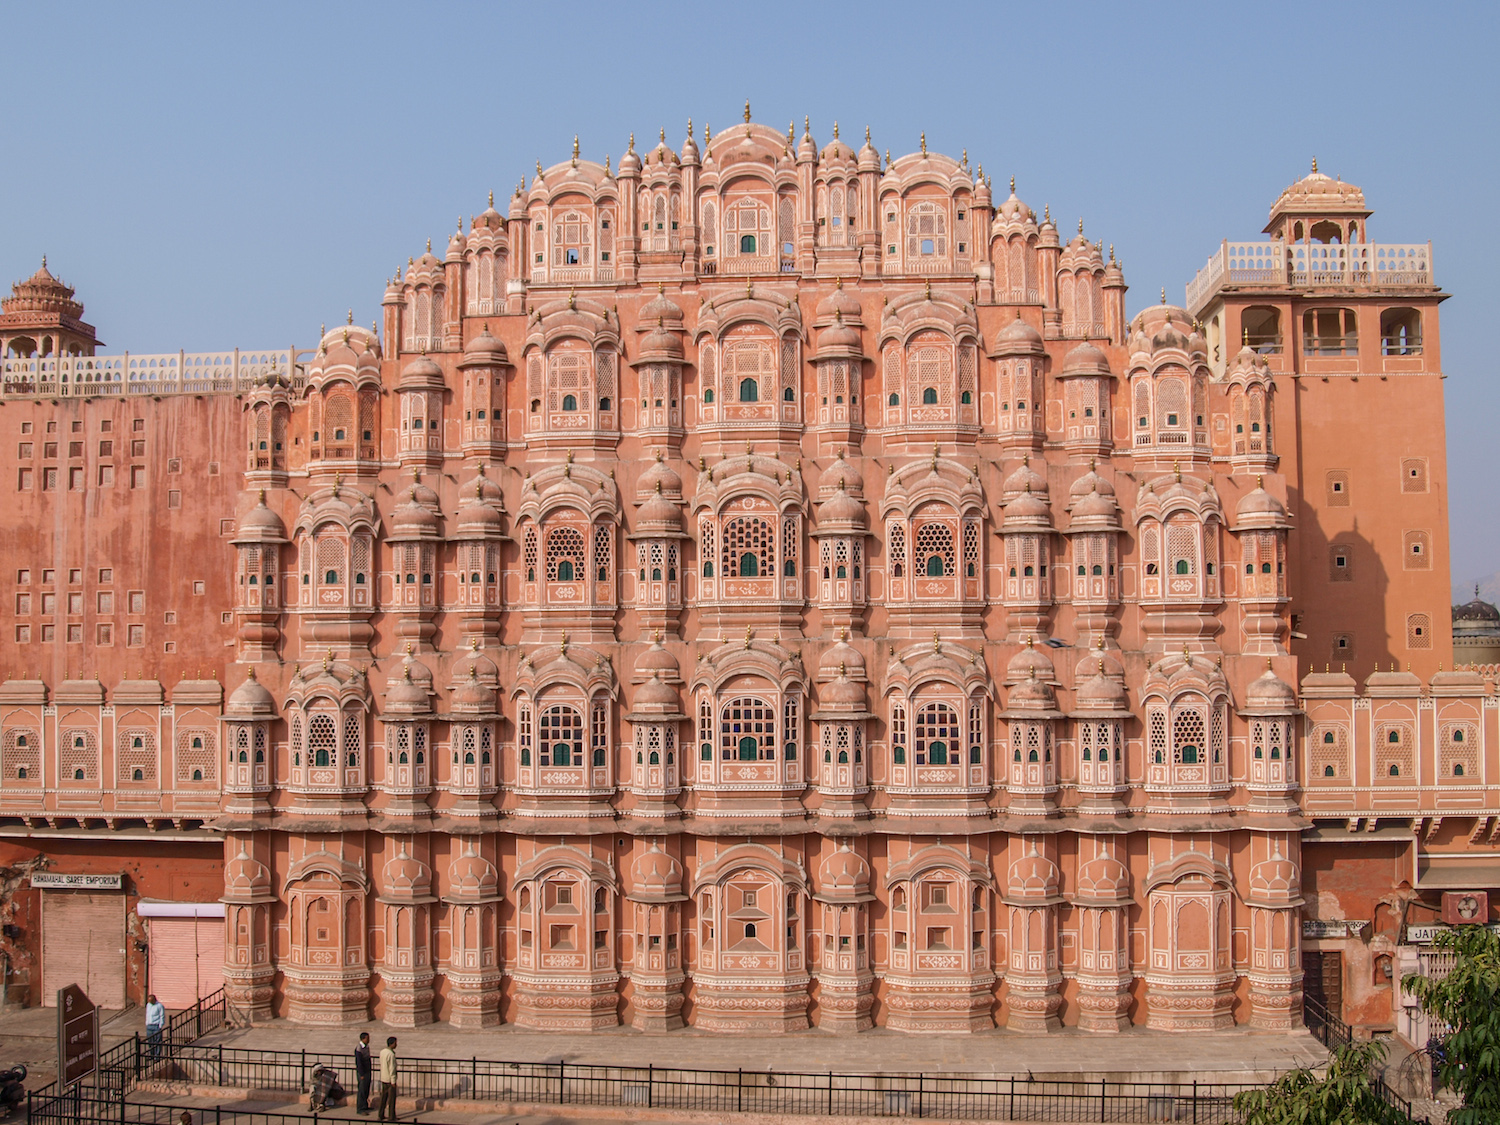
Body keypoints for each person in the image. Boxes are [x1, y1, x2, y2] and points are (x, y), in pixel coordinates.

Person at [377, 1035, 398, 1122]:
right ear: (392, 1044)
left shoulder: (382, 1052)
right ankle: (391, 1117)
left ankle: (380, 1115)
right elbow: (392, 1069)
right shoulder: (391, 1054)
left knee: (383, 1098)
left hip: (383, 1078)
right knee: (391, 1099)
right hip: (389, 1080)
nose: (396, 1045)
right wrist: (393, 1081)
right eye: (395, 1043)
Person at [354, 1032, 373, 1115]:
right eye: (367, 1038)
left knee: (366, 1089)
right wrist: (361, 1074)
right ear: (363, 1039)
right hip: (363, 1072)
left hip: (367, 1071)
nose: (368, 1040)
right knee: (361, 1090)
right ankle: (360, 1109)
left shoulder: (366, 1047)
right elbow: (359, 1062)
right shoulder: (359, 1049)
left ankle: (365, 1106)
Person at [144, 994, 166, 1060]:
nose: (149, 1002)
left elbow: (162, 1016)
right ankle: (152, 1054)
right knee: (150, 1041)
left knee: (157, 1041)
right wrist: (147, 1023)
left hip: (156, 1025)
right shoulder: (148, 1005)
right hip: (149, 1025)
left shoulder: (159, 1006)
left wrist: (160, 1025)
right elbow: (147, 1014)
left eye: (151, 1001)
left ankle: (157, 1056)